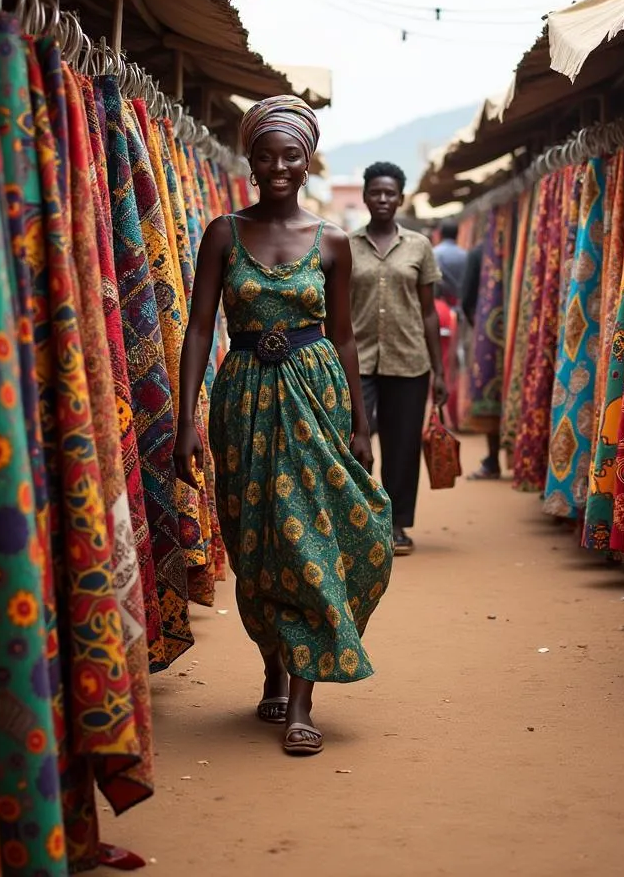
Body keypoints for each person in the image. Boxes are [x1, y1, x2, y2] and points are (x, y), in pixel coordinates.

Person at [174, 95, 393, 757]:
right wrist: (187, 418)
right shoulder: (222, 232)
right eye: (265, 155)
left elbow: (346, 338)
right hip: (242, 402)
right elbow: (201, 328)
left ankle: (302, 700)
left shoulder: (331, 241)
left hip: (315, 397)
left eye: (290, 156)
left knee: (314, 539)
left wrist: (361, 420)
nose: (278, 167)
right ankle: (274, 662)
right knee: (257, 543)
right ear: (250, 160)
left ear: (308, 162)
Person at [350, 163, 447, 557]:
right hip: (356, 362)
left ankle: (397, 524)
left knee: (402, 446)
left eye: (390, 193)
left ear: (401, 198)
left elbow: (428, 311)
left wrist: (439, 371)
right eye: (376, 192)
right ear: (365, 196)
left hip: (410, 362)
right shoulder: (346, 243)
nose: (383, 199)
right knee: (354, 440)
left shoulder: (419, 246)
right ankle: (360, 520)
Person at [461, 243, 502, 479]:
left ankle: (493, 458)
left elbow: (466, 297)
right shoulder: (528, 244)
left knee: (489, 386)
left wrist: (481, 326)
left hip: (488, 333)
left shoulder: (479, 251)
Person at [432, 218, 467, 305]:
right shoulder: (465, 255)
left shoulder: (435, 254)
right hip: (460, 304)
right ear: (457, 234)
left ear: (440, 234)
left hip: (441, 306)